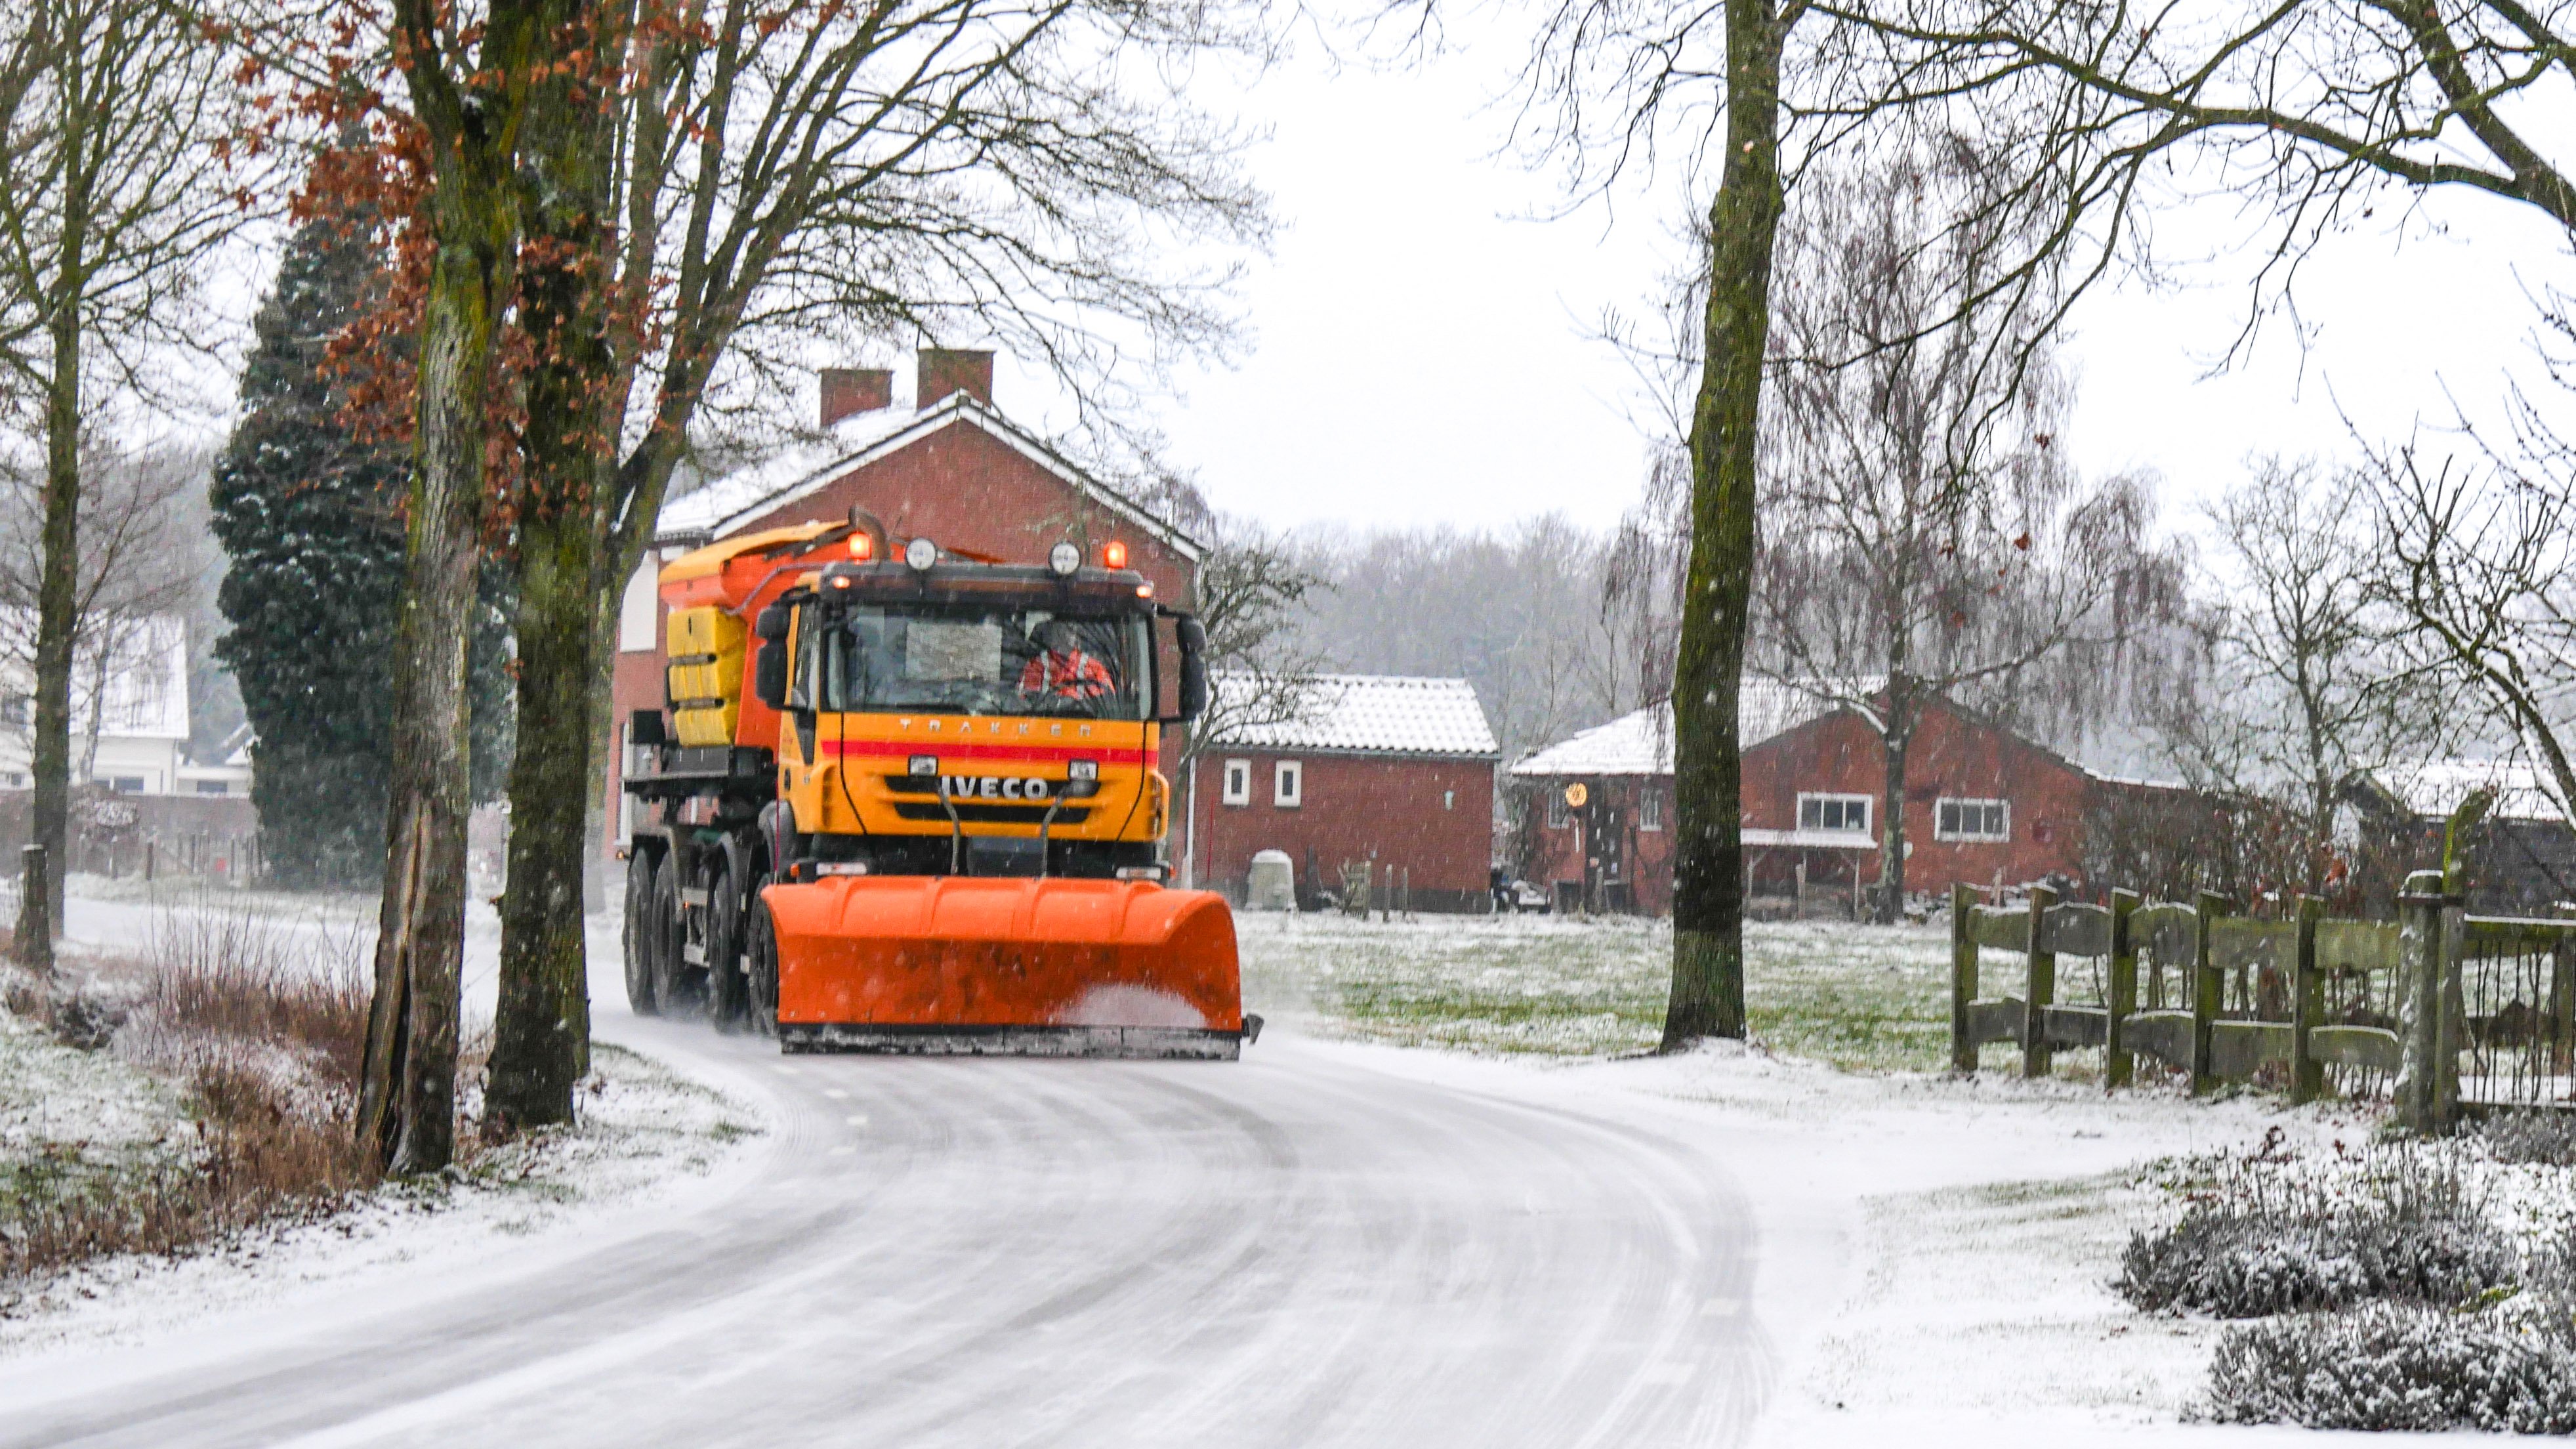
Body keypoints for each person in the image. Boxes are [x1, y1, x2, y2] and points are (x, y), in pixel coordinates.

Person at [1018, 619, 1113, 700]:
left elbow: (1109, 700)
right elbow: (1023, 701)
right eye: (1059, 633)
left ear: (1077, 639)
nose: (1065, 637)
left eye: (1069, 632)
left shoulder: (1095, 668)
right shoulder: (1035, 667)